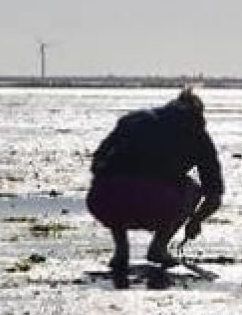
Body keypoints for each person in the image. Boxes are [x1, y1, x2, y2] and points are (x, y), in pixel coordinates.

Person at [87, 87, 224, 288]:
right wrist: (195, 221)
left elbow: (97, 163)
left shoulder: (133, 120)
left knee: (116, 179)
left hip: (104, 200)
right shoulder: (197, 133)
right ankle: (159, 246)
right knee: (191, 188)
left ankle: (121, 250)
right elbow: (214, 193)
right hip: (155, 202)